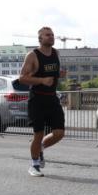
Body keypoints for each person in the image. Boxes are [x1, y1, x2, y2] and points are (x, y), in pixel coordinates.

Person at [17, 27, 67, 177]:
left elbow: (53, 72)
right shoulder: (32, 55)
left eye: (52, 35)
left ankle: (41, 148)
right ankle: (34, 165)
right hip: (37, 98)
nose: (51, 37)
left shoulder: (56, 53)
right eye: (48, 35)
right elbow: (22, 78)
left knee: (59, 133)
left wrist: (59, 74)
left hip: (52, 97)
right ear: (40, 38)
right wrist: (42, 80)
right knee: (38, 134)